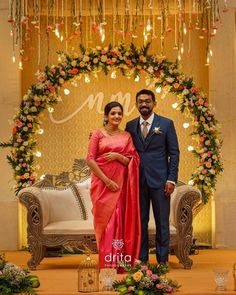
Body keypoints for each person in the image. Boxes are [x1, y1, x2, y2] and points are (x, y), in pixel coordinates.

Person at [125, 89, 180, 265]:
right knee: (140, 223)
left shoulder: (166, 124)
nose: (144, 104)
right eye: (140, 101)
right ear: (136, 104)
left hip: (161, 182)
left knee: (162, 223)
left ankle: (162, 261)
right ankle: (142, 260)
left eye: (147, 101)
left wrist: (171, 179)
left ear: (154, 103)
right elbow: (121, 147)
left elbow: (174, 153)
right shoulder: (130, 125)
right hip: (137, 181)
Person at [86, 101, 141, 270]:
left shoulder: (126, 136)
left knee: (119, 220)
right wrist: (107, 181)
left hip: (121, 185)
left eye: (119, 113)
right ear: (106, 116)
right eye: (113, 113)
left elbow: (132, 160)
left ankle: (120, 262)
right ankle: (108, 262)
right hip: (103, 185)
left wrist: (118, 155)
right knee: (107, 222)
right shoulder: (97, 134)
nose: (116, 116)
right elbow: (90, 159)